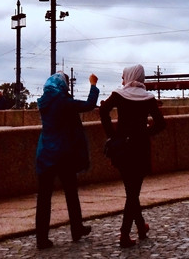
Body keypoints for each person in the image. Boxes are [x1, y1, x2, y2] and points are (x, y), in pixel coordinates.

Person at [99, 64, 166, 248]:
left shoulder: (119, 95)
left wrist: (112, 135)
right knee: (133, 192)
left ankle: (140, 227)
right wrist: (145, 133)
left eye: (123, 76)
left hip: (122, 148)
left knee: (131, 191)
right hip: (140, 149)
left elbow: (103, 111)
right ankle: (125, 233)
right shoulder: (148, 98)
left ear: (129, 76)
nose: (122, 80)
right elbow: (161, 124)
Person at [34, 71, 99, 250]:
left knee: (44, 198)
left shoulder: (44, 101)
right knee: (71, 193)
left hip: (45, 152)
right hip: (62, 153)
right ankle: (77, 228)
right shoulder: (62, 102)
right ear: (62, 85)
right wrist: (93, 85)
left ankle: (41, 238)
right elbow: (89, 105)